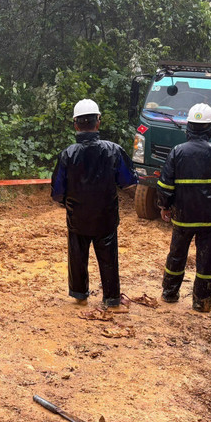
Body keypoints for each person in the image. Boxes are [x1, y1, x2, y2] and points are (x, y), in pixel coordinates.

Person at [156, 103, 211, 312]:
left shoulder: (177, 151)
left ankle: (169, 294)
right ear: (209, 128)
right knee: (207, 260)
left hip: (183, 216)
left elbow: (165, 184)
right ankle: (202, 302)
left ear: (189, 127)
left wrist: (164, 206)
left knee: (176, 255)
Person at [51, 99, 138, 309]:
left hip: (77, 217)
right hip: (106, 217)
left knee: (77, 256)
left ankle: (79, 294)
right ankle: (111, 298)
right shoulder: (114, 150)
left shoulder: (67, 154)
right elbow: (128, 182)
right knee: (109, 258)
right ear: (98, 122)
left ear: (75, 125)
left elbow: (57, 192)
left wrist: (68, 203)